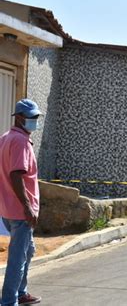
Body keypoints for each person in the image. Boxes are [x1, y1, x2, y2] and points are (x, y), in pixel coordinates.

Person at [0, 99, 42, 305]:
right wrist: (27, 208)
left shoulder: (6, 138)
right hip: (20, 212)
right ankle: (9, 301)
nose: (34, 121)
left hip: (8, 209)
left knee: (28, 250)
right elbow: (16, 175)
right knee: (17, 259)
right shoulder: (20, 142)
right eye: (31, 117)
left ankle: (21, 292)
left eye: (36, 117)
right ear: (19, 117)